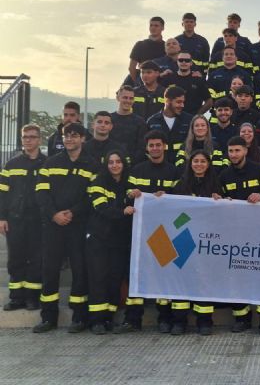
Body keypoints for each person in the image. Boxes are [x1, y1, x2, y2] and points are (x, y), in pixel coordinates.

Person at [34, 122, 98, 333]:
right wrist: (54, 214)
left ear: (82, 139)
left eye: (73, 135)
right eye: (65, 136)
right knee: (50, 270)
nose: (68, 139)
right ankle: (48, 317)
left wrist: (73, 212)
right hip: (53, 226)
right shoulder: (50, 163)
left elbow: (92, 195)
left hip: (78, 226)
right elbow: (41, 193)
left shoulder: (91, 165)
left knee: (80, 270)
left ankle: (79, 317)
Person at [115, 130, 180, 334]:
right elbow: (126, 196)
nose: (155, 148)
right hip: (140, 232)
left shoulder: (174, 171)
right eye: (151, 145)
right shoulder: (137, 170)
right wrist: (131, 195)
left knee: (163, 274)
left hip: (164, 232)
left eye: (158, 145)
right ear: (146, 148)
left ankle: (164, 318)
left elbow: (180, 199)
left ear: (165, 146)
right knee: (136, 274)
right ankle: (133, 319)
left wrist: (167, 196)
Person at [217, 136, 260, 334]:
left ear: (245, 150)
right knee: (237, 276)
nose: (233, 154)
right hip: (236, 234)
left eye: (237, 150)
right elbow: (219, 199)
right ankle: (242, 318)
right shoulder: (224, 175)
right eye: (230, 151)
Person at [170, 151, 222, 335]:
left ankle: (205, 321)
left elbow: (223, 214)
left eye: (202, 161)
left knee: (204, 280)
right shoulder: (181, 185)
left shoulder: (216, 185)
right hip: (184, 237)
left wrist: (221, 202)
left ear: (208, 164)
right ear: (190, 164)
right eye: (195, 161)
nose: (199, 164)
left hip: (206, 238)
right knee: (181, 279)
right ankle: (179, 321)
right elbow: (174, 214)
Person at [85, 150, 134, 335]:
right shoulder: (98, 182)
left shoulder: (129, 183)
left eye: (118, 162)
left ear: (123, 164)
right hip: (99, 239)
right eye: (111, 162)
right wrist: (123, 211)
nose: (114, 165)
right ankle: (96, 321)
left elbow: (136, 200)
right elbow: (101, 208)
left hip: (119, 241)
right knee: (98, 278)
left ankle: (109, 318)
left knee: (114, 279)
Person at [0, 124, 47, 312]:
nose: (28, 140)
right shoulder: (11, 164)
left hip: (38, 220)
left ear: (39, 140)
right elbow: (2, 193)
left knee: (36, 259)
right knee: (16, 259)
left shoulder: (47, 163)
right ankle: (16, 297)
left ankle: (32, 298)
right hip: (16, 219)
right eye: (25, 137)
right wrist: (2, 217)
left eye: (32, 137)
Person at [147, 86, 193, 164]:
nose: (182, 105)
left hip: (183, 166)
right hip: (161, 168)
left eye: (183, 102)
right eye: (178, 102)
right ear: (167, 101)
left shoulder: (189, 120)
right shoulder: (152, 121)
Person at [110, 85, 148, 164]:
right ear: (118, 98)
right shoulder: (109, 119)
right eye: (125, 97)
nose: (128, 101)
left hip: (133, 166)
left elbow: (142, 148)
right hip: (112, 164)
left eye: (131, 98)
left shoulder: (140, 122)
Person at [128, 16, 165, 84]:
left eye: (156, 26)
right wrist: (139, 83)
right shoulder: (140, 45)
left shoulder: (166, 46)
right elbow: (131, 67)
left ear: (162, 28)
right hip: (142, 82)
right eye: (151, 25)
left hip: (161, 84)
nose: (153, 28)